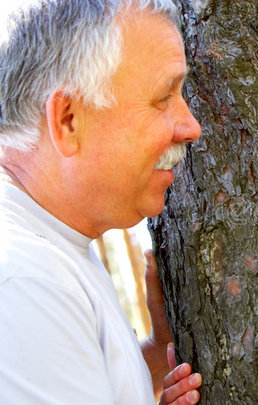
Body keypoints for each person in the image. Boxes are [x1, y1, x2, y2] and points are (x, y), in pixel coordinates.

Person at [0, 1, 203, 403]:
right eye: (163, 97)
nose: (191, 127)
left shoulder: (49, 245)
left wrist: (156, 353)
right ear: (68, 119)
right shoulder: (27, 279)